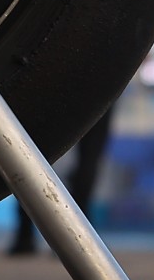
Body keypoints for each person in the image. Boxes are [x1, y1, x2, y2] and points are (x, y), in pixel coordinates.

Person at [7, 106, 113, 256]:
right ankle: (79, 236)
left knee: (30, 152)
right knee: (89, 158)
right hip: (99, 88)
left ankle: (25, 235)